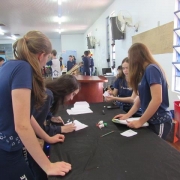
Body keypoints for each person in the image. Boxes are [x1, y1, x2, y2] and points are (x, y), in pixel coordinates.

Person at [0, 31, 71, 180]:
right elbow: (22, 125)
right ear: (41, 55)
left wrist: (48, 138)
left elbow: (26, 115)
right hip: (6, 150)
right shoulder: (24, 69)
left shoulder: (9, 65)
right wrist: (48, 166)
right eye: (47, 58)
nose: (46, 62)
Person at [114, 43, 172, 139]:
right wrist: (127, 115)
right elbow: (140, 99)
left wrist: (140, 121)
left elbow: (157, 99)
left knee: (156, 150)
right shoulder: (144, 72)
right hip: (149, 120)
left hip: (159, 120)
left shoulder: (151, 69)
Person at [27, 74, 79, 180]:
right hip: (27, 143)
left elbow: (37, 113)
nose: (71, 98)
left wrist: (50, 117)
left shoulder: (49, 93)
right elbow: (36, 127)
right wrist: (60, 129)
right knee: (38, 171)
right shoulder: (48, 95)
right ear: (66, 89)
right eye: (72, 94)